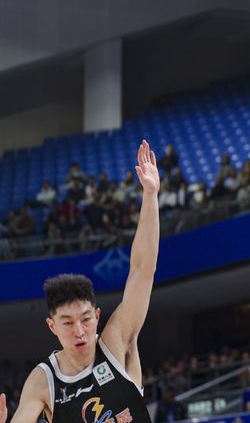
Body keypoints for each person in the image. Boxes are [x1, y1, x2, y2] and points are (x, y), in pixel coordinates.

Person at [0, 140, 160, 423]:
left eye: (85, 319)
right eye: (67, 322)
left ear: (97, 316)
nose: (79, 331)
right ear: (52, 326)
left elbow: (142, 270)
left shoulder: (115, 342)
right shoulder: (43, 380)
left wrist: (150, 196)